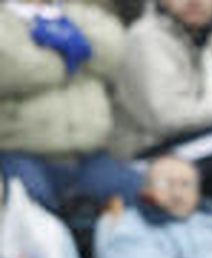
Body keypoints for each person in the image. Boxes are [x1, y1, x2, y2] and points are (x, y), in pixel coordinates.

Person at [0, 0, 142, 213]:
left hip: (91, 154)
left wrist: (50, 52)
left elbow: (113, 51)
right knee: (29, 213)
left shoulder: (79, 11)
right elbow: (13, 69)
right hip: (21, 154)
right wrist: (75, 55)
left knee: (141, 195)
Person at [111, 0, 212, 162]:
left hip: (193, 143)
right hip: (148, 157)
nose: (194, 2)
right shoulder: (145, 39)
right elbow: (170, 117)